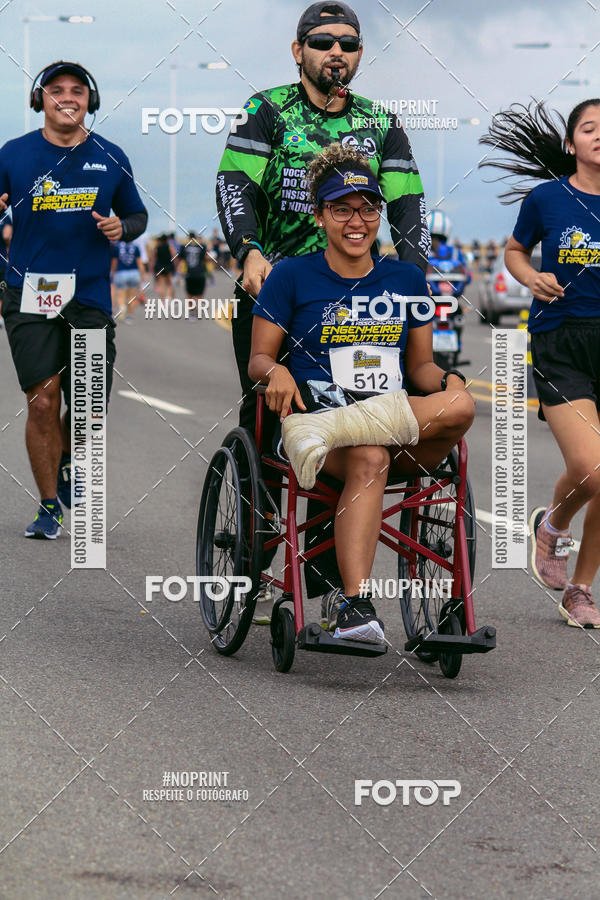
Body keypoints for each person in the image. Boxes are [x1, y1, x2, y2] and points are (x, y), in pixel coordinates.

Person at [216, 0, 431, 622]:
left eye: (350, 44)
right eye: (323, 41)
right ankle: (257, 554)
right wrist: (249, 250)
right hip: (283, 291)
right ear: (299, 51)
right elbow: (236, 186)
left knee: (358, 419)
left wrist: (413, 276)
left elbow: (408, 202)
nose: (337, 52)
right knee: (277, 420)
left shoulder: (380, 121)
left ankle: (332, 578)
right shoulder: (268, 110)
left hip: (363, 297)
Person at [248, 146, 474, 642]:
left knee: (461, 404)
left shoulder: (406, 278)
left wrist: (445, 382)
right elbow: (259, 359)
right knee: (369, 455)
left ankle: (368, 438)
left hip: (389, 415)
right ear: (320, 215)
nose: (358, 221)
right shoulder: (290, 275)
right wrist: (275, 373)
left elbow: (419, 365)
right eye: (342, 209)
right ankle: (352, 604)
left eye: (369, 208)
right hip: (320, 425)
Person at [0, 60, 147, 538]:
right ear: (39, 100)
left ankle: (68, 459)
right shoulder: (13, 154)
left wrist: (120, 227)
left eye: (78, 90)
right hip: (28, 292)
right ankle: (49, 507)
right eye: (56, 89)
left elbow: (138, 215)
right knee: (43, 402)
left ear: (91, 101)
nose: (68, 97)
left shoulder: (112, 156)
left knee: (87, 405)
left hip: (88, 296)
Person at [480, 98, 600, 628]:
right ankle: (553, 526)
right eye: (590, 128)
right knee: (595, 469)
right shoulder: (547, 198)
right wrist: (530, 278)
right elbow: (514, 250)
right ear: (571, 144)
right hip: (560, 340)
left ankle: (580, 589)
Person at [111, 239, 146, 322]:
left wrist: (112, 272)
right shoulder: (135, 247)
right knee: (131, 296)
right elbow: (139, 263)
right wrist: (143, 275)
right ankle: (130, 316)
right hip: (134, 273)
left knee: (121, 295)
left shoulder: (117, 247)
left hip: (121, 273)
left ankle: (122, 307)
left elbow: (114, 262)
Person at [178, 231, 207, 316]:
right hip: (200, 273)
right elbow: (206, 259)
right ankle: (199, 310)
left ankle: (192, 312)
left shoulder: (184, 247)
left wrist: (179, 273)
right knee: (200, 294)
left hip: (189, 273)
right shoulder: (202, 246)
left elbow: (181, 261)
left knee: (189, 294)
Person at [151, 234, 175, 299]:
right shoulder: (170, 247)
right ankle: (169, 297)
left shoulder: (157, 248)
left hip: (159, 267)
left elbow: (153, 259)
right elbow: (174, 257)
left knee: (161, 285)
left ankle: (162, 301)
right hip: (168, 266)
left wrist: (152, 268)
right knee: (169, 284)